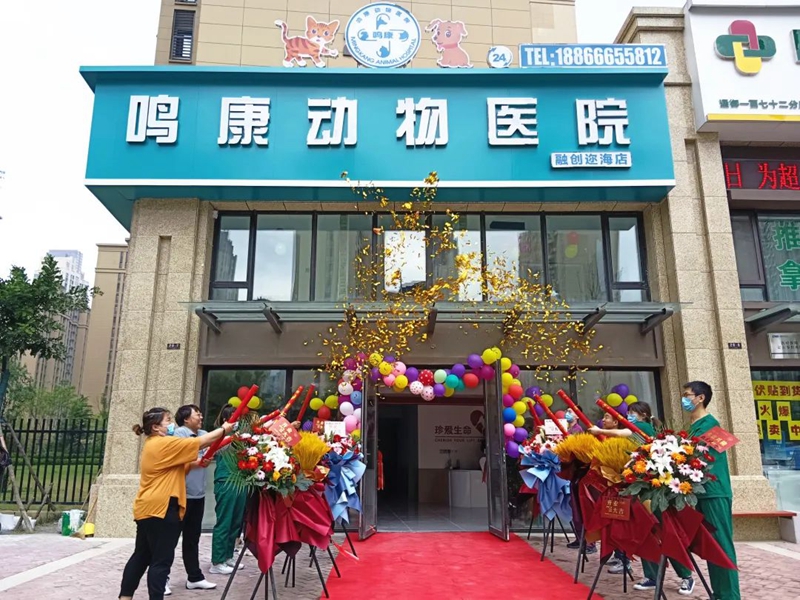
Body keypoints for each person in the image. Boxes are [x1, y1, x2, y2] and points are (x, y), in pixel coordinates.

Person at [119, 407, 234, 600]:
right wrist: (224, 429)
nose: (171, 424)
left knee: (141, 556)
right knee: (161, 561)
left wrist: (197, 463)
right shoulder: (163, 443)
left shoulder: (153, 444)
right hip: (162, 508)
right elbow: (200, 442)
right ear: (155, 427)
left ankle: (125, 597)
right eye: (168, 420)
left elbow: (176, 468)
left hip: (148, 508)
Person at [589, 401, 695, 594]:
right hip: (640, 488)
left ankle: (686, 576)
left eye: (633, 413)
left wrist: (599, 431)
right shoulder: (635, 431)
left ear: (644, 415)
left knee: (666, 534)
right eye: (628, 412)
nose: (629, 416)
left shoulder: (644, 427)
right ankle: (652, 576)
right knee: (646, 533)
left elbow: (624, 432)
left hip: (655, 490)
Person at [683, 381, 740, 600]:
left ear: (701, 398)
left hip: (714, 492)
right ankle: (719, 593)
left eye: (688, 395)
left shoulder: (710, 425)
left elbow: (706, 461)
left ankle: (729, 596)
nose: (684, 399)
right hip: (702, 493)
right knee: (712, 547)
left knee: (721, 545)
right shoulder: (694, 425)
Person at [173, 405, 216, 591]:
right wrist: (197, 462)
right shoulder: (179, 434)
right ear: (185, 419)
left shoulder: (203, 434)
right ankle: (162, 579)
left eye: (200, 413)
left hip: (198, 495)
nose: (201, 417)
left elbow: (217, 445)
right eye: (197, 414)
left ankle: (194, 577)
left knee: (192, 538)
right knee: (170, 539)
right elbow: (179, 458)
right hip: (181, 495)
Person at [210, 405, 250, 575]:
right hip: (226, 481)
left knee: (235, 522)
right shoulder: (220, 436)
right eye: (236, 418)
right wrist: (231, 435)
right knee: (225, 521)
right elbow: (216, 450)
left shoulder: (242, 436)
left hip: (240, 481)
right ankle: (217, 561)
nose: (239, 421)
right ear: (227, 420)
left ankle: (228, 556)